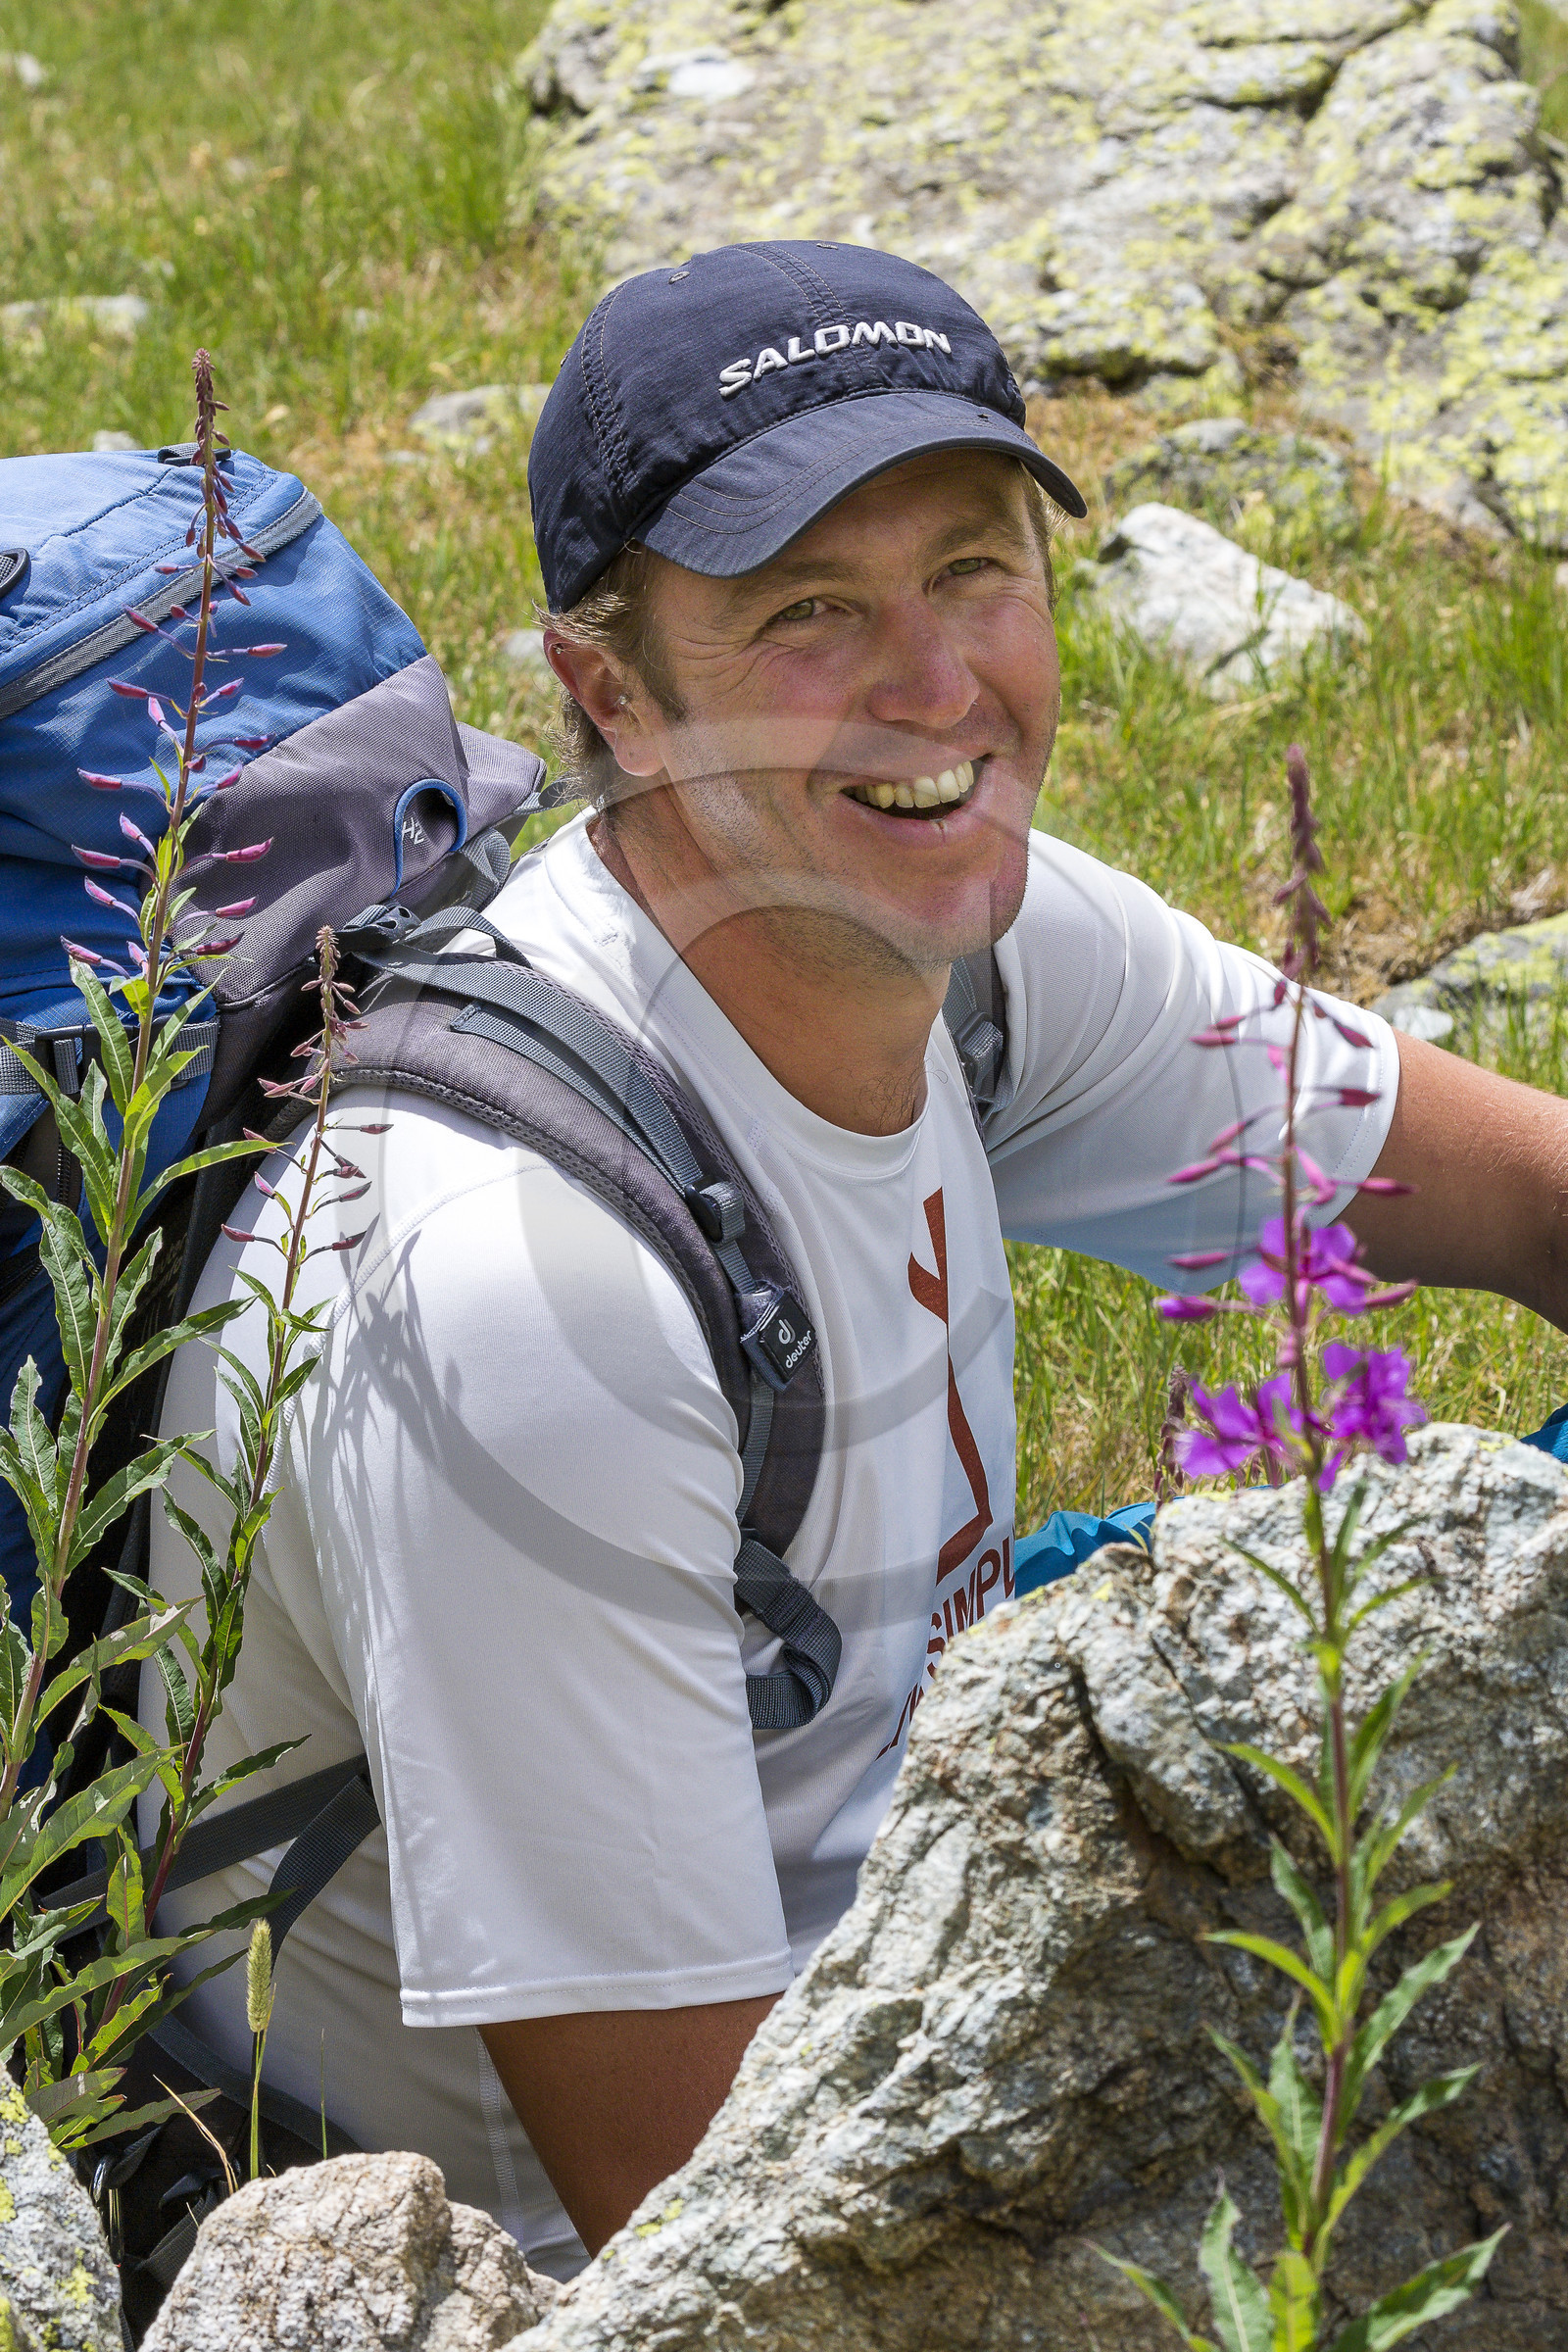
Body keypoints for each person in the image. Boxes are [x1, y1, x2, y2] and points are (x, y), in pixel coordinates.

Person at [142, 240, 1568, 2281]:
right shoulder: (511, 1293)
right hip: (597, 2239)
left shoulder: (968, 936)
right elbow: (712, 2246)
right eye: (808, 612)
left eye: (975, 571)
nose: (935, 686)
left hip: (898, 1906)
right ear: (607, 695)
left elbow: (1518, 1191)